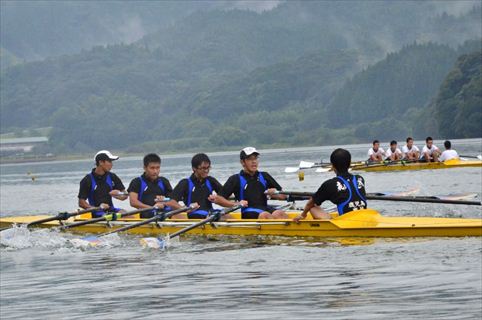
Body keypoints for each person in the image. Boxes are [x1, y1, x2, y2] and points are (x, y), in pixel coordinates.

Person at [294, 148, 367, 222]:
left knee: (313, 206)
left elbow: (310, 203)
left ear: (333, 166)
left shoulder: (329, 184)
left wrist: (303, 214)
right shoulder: (360, 179)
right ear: (350, 163)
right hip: (365, 219)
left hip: (346, 222)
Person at [214, 147, 289, 219]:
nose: (254, 161)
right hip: (249, 211)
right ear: (242, 162)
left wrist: (275, 194)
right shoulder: (235, 179)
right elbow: (218, 199)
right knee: (265, 215)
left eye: (255, 158)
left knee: (280, 213)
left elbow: (283, 196)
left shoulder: (265, 176)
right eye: (250, 159)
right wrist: (236, 204)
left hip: (265, 208)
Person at [166, 153, 232, 220]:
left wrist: (218, 198)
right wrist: (184, 209)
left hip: (210, 213)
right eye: (203, 168)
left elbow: (226, 195)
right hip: (194, 215)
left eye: (208, 168)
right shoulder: (185, 183)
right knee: (222, 216)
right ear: (194, 168)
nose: (206, 171)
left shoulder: (211, 181)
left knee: (228, 216)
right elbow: (171, 202)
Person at [78, 150, 127, 218]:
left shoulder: (112, 177)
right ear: (101, 162)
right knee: (108, 216)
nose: (111, 164)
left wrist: (119, 194)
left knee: (126, 214)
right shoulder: (87, 180)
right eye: (109, 161)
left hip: (111, 209)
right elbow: (81, 203)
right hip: (96, 213)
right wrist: (99, 207)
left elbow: (125, 195)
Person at [127, 153, 173, 218]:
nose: (155, 171)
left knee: (177, 214)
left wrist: (164, 200)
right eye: (152, 168)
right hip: (146, 213)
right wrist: (153, 208)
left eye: (158, 168)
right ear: (145, 168)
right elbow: (133, 202)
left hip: (163, 211)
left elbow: (172, 199)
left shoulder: (164, 181)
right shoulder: (137, 182)